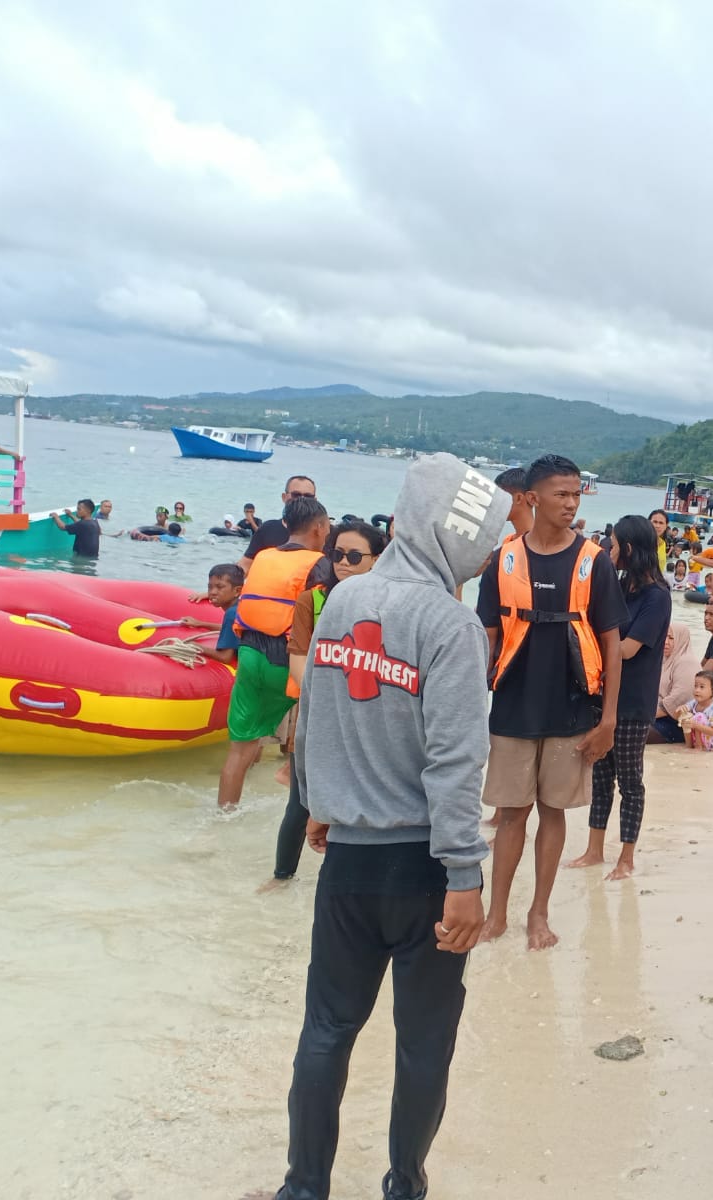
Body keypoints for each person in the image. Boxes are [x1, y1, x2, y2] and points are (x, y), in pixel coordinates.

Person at [265, 454, 507, 1200]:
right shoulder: (451, 625)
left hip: (347, 864)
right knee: (422, 1042)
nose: (491, 551)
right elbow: (455, 762)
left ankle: (304, 1187)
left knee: (326, 1031)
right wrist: (466, 878)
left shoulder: (343, 598)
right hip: (425, 870)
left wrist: (313, 805)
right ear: (460, 536)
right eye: (486, 539)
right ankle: (404, 1184)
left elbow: (313, 721)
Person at [476, 454, 625, 950]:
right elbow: (485, 640)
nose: (571, 502)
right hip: (514, 708)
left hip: (573, 711)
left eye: (576, 493)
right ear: (531, 499)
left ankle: (538, 913)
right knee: (512, 812)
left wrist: (608, 720)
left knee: (553, 811)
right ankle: (496, 914)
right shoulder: (503, 560)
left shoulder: (593, 561)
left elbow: (610, 644)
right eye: (561, 494)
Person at [271, 521, 389, 884]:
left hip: (371, 716)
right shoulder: (312, 600)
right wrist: (333, 702)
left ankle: (347, 880)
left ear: (378, 559)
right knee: (301, 802)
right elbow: (298, 660)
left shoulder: (389, 604)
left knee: (362, 799)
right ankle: (281, 877)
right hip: (318, 714)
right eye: (337, 554)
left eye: (355, 556)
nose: (344, 563)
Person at [566, 514, 672, 880]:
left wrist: (589, 643)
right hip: (604, 695)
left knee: (629, 780)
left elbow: (625, 649)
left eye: (612, 546)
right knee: (600, 776)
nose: (608, 552)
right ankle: (594, 850)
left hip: (632, 701)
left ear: (627, 548)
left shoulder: (657, 596)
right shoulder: (622, 586)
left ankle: (626, 857)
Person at [218, 496, 331, 811]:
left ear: (286, 526)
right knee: (316, 736)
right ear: (321, 528)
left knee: (239, 750)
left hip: (250, 655)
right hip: (287, 663)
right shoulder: (319, 563)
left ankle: (224, 817)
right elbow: (321, 616)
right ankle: (301, 803)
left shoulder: (264, 556)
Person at [241, 475, 319, 570]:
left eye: (308, 496)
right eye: (296, 495)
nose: (302, 500)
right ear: (284, 497)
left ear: (315, 501)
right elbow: (245, 565)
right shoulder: (268, 529)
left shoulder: (324, 533)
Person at [179, 563, 246, 666]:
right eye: (210, 587)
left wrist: (195, 646)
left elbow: (225, 657)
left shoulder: (232, 613)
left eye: (220, 587)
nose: (213, 592)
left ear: (237, 591)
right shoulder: (244, 605)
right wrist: (200, 624)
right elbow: (231, 628)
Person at [650, 623, 700, 743]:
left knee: (628, 735)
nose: (666, 642)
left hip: (677, 723)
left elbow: (680, 698)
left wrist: (645, 716)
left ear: (681, 639)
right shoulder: (665, 660)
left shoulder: (686, 662)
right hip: (658, 716)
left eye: (671, 638)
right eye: (664, 636)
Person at [678, 671, 713, 750]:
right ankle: (689, 745)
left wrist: (695, 725)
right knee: (685, 717)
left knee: (699, 717)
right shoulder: (696, 701)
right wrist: (682, 709)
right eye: (695, 686)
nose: (697, 690)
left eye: (702, 687)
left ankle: (698, 747)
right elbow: (686, 707)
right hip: (704, 736)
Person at [495, 467, 533, 538]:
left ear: (518, 498)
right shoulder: (508, 540)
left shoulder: (539, 544)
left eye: (501, 497)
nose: (496, 503)